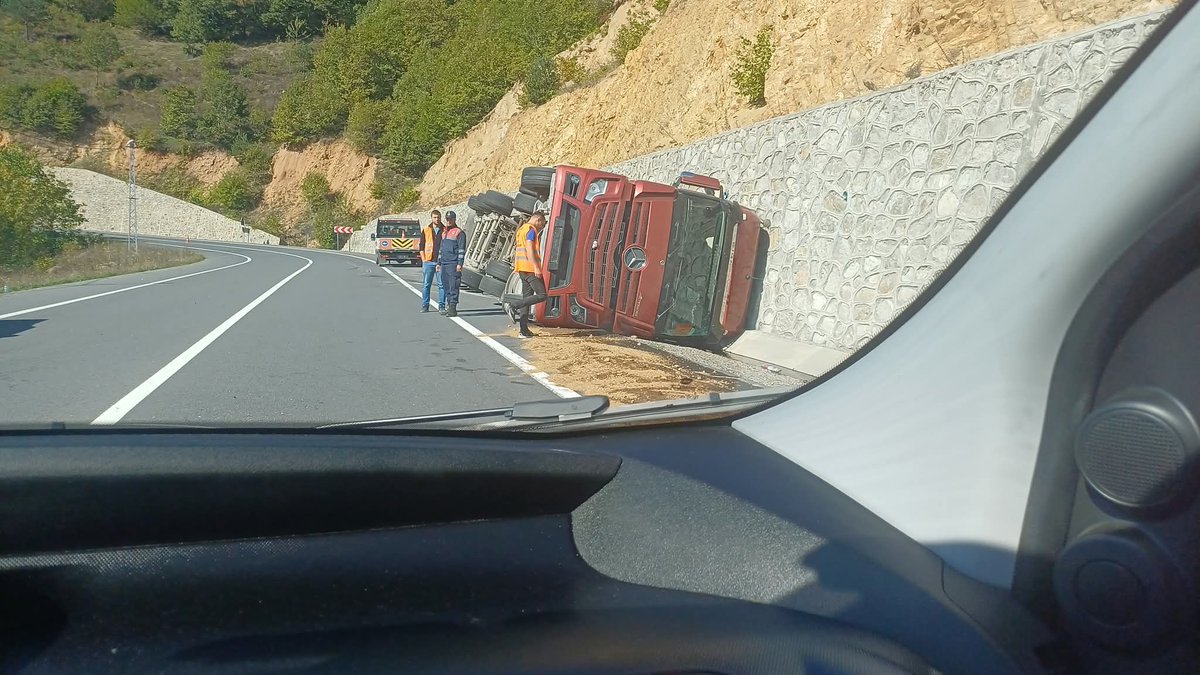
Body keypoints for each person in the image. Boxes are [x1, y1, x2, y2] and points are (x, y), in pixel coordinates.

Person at [503, 210, 548, 338]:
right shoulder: (531, 230)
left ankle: (523, 330)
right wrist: (536, 267)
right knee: (542, 295)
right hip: (530, 269)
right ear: (538, 220)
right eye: (542, 224)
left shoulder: (522, 229)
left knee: (526, 299)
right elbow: (529, 248)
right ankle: (514, 306)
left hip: (521, 269)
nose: (542, 227)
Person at [436, 211, 467, 317]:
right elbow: (441, 249)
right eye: (447, 219)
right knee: (446, 285)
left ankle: (453, 307)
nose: (448, 221)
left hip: (453, 264)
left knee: (453, 285)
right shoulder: (444, 233)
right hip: (444, 263)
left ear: (454, 219)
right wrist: (439, 263)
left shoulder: (459, 233)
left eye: (450, 219)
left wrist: (460, 264)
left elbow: (462, 250)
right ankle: (449, 305)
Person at [417, 210, 444, 313]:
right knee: (426, 285)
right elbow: (421, 246)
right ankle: (425, 305)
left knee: (442, 285)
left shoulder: (444, 230)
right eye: (435, 217)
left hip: (440, 262)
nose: (437, 219)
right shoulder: (426, 230)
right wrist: (424, 260)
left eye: (438, 217)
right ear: (431, 218)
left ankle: (441, 306)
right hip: (428, 262)